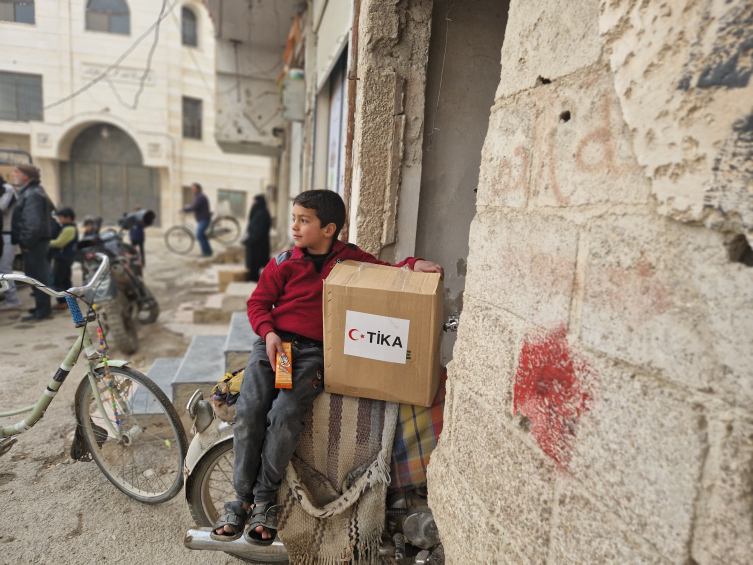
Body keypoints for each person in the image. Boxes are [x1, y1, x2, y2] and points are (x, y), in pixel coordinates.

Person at [211, 190, 443, 544]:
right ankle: (241, 498)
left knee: (285, 415)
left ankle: (263, 501)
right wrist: (269, 333)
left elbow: (386, 272)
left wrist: (414, 264)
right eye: (294, 219)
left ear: (329, 229)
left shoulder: (348, 260)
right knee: (250, 411)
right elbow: (258, 303)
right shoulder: (284, 262)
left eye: (304, 221)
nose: (295, 227)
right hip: (275, 347)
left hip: (314, 354)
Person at [10, 164, 54, 322]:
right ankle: (41, 307)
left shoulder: (32, 194)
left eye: (16, 172)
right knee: (35, 276)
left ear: (26, 176)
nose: (13, 174)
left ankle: (43, 311)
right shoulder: (33, 192)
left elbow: (32, 223)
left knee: (38, 277)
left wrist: (26, 242)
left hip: (34, 243)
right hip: (36, 242)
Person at [48, 207, 79, 310]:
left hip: (62, 258)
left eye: (61, 217)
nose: (59, 220)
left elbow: (59, 243)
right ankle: (70, 301)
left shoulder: (68, 229)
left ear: (68, 218)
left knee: (57, 280)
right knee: (65, 280)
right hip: (66, 257)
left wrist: (45, 243)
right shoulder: (67, 227)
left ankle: (62, 302)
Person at [0, 181, 21, 309]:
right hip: (3, 235)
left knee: (4, 269)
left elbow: (2, 207)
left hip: (8, 235)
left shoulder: (8, 190)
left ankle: (13, 300)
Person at [244, 195, 271, 282]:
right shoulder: (259, 212)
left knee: (256, 264)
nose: (253, 203)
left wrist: (250, 240)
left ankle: (255, 281)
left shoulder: (262, 214)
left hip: (258, 244)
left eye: (255, 201)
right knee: (253, 265)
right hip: (255, 243)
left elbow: (259, 230)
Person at [182, 182, 212, 257]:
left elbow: (194, 207)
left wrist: (185, 209)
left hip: (204, 219)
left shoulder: (200, 197)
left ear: (198, 189)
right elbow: (195, 206)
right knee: (202, 235)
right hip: (203, 219)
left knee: (199, 235)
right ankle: (208, 251)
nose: (193, 190)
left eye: (194, 188)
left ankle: (206, 253)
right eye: (192, 188)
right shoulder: (198, 196)